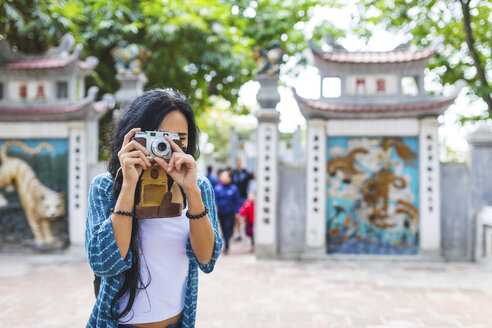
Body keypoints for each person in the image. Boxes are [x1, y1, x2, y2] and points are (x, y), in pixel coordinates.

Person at [85, 89, 222, 328]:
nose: (165, 147)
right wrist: (128, 187)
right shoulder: (106, 187)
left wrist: (191, 192)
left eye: (179, 138)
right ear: (134, 136)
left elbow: (207, 260)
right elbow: (103, 263)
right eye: (158, 138)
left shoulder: (198, 187)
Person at [214, 170, 241, 254]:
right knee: (224, 229)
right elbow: (214, 200)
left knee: (228, 228)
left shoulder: (234, 188)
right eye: (222, 176)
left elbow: (237, 201)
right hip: (221, 213)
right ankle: (226, 245)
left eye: (225, 176)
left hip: (230, 213)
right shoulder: (217, 188)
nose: (224, 178)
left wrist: (237, 212)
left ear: (230, 178)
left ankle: (226, 244)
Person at [231, 157, 252, 241]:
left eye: (240, 162)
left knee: (247, 216)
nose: (238, 163)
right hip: (236, 198)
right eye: (237, 162)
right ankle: (238, 232)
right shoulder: (233, 173)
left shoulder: (246, 172)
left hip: (244, 197)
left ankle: (247, 231)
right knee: (237, 216)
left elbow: (252, 179)